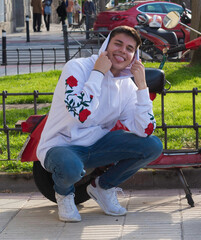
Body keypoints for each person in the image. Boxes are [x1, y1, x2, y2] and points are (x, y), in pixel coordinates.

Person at [36, 26, 163, 222]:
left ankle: (102, 187)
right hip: (62, 145)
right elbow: (81, 114)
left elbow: (145, 130)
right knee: (70, 168)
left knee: (152, 146)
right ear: (106, 45)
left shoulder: (126, 84)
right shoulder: (76, 67)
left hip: (98, 146)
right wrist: (97, 72)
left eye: (130, 48)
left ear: (135, 56)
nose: (123, 51)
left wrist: (142, 87)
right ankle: (64, 195)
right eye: (118, 44)